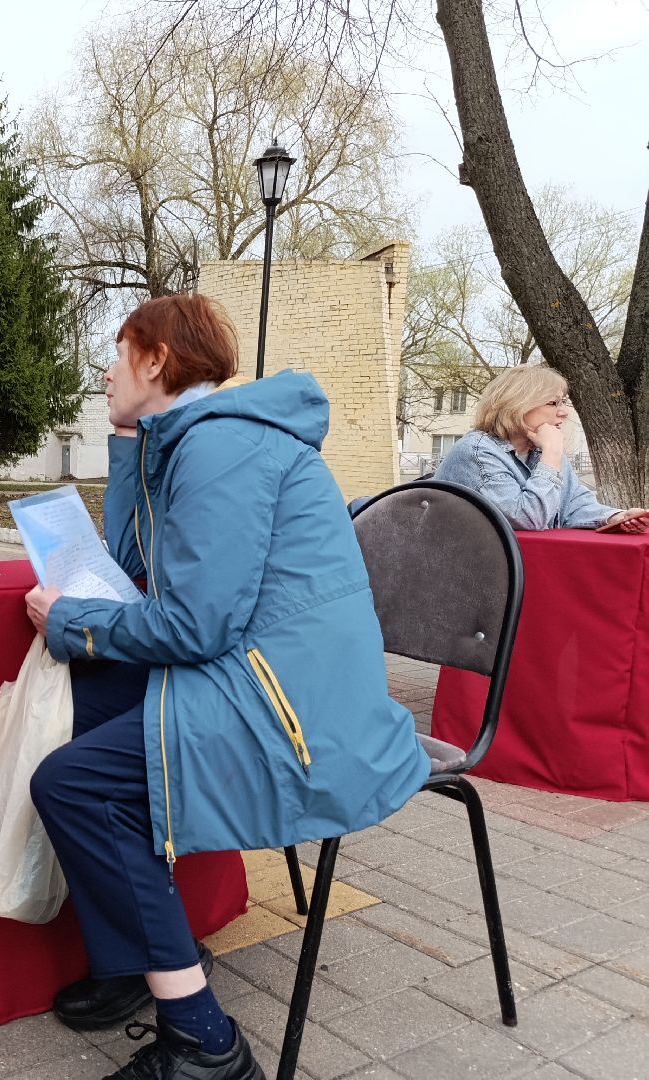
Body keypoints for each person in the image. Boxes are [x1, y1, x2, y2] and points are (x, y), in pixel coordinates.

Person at [24, 293, 430, 1080]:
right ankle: (136, 954)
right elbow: (135, 564)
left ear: (156, 360)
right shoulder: (194, 440)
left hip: (295, 712)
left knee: (74, 785)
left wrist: (71, 622)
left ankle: (204, 1042)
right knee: (75, 711)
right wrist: (128, 446)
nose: (106, 374)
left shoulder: (221, 447)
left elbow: (194, 625)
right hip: (259, 677)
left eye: (118, 354)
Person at [433, 366, 648, 532]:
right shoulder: (477, 452)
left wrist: (615, 517)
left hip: (520, 565)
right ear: (517, 406)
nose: (564, 412)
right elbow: (527, 519)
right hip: (464, 570)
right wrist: (552, 454)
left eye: (563, 402)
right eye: (553, 403)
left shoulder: (541, 450)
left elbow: (572, 504)